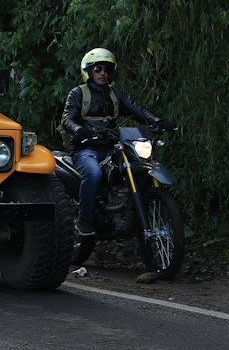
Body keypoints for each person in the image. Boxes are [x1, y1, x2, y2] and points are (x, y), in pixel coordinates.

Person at [60, 48, 174, 237]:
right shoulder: (78, 93)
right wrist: (80, 130)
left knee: (139, 165)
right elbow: (67, 119)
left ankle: (131, 212)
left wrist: (157, 121)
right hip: (87, 148)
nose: (102, 73)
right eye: (98, 69)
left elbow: (135, 109)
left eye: (106, 69)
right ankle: (84, 220)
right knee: (94, 174)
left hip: (112, 147)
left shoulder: (115, 94)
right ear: (88, 71)